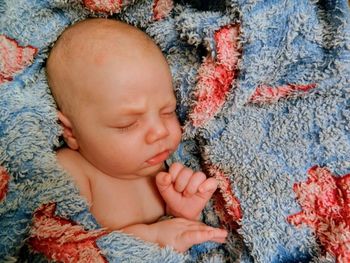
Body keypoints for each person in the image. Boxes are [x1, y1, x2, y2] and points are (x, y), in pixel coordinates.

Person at [46, 18, 227, 252]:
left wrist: (181, 216)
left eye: (167, 111)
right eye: (127, 123)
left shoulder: (163, 169)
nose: (160, 131)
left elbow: (176, 246)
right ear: (71, 132)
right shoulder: (72, 170)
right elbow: (62, 246)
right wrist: (151, 237)